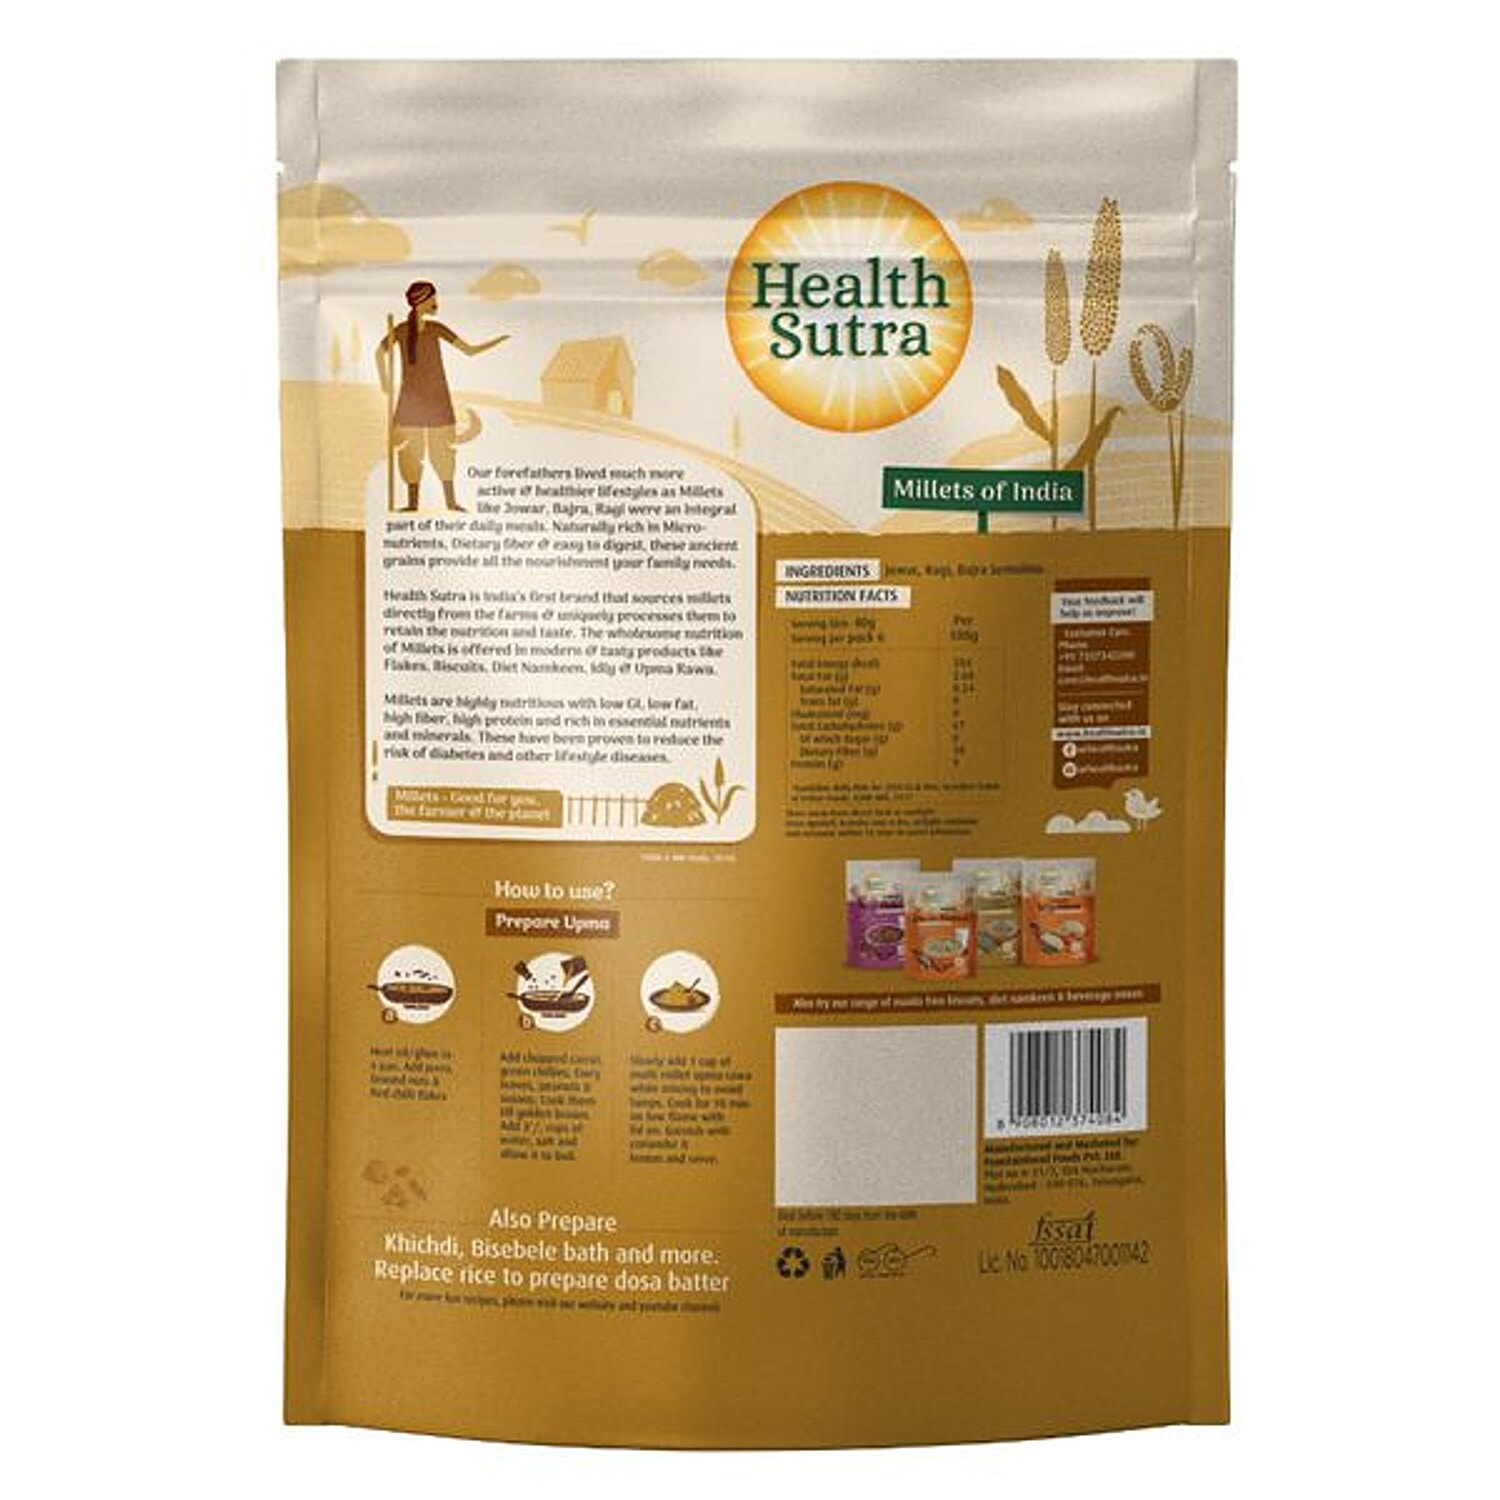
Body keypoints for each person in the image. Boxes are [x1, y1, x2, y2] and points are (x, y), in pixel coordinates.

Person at [376, 281, 510, 511]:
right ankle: (413, 504)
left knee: (442, 452)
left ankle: (450, 502)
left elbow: (469, 350)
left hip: (436, 400)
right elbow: (379, 353)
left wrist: (496, 341)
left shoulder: (436, 329)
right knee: (411, 452)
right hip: (413, 401)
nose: (436, 303)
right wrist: (385, 382)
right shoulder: (401, 330)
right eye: (432, 298)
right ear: (420, 301)